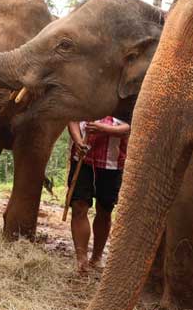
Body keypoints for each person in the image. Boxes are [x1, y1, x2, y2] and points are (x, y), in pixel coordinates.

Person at [66, 115, 131, 274]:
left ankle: (96, 257)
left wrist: (103, 129)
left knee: (104, 210)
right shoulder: (83, 99)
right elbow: (73, 117)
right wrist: (78, 140)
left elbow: (129, 127)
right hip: (82, 159)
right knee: (79, 206)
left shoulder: (128, 103)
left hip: (112, 163)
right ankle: (81, 260)